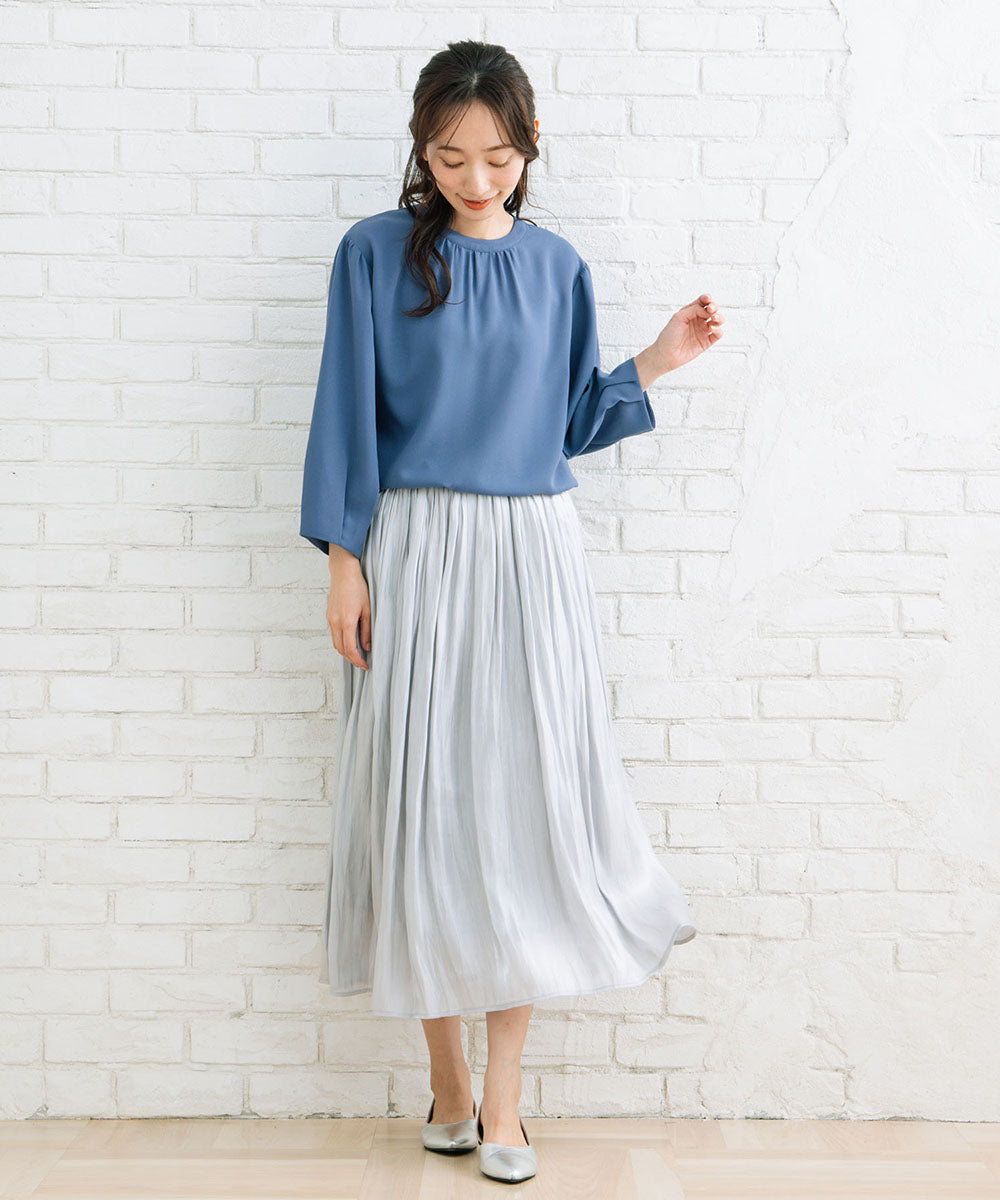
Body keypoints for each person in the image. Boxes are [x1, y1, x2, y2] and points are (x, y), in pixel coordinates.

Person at [299, 39, 724, 1185]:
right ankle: (443, 1083)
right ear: (421, 152)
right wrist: (345, 563)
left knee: (522, 818)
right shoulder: (372, 254)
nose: (474, 180)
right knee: (422, 817)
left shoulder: (556, 266)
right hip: (414, 548)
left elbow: (565, 422)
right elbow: (344, 409)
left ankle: (502, 1101)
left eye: (495, 158)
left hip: (531, 553)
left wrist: (655, 361)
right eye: (449, 159)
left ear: (529, 147)